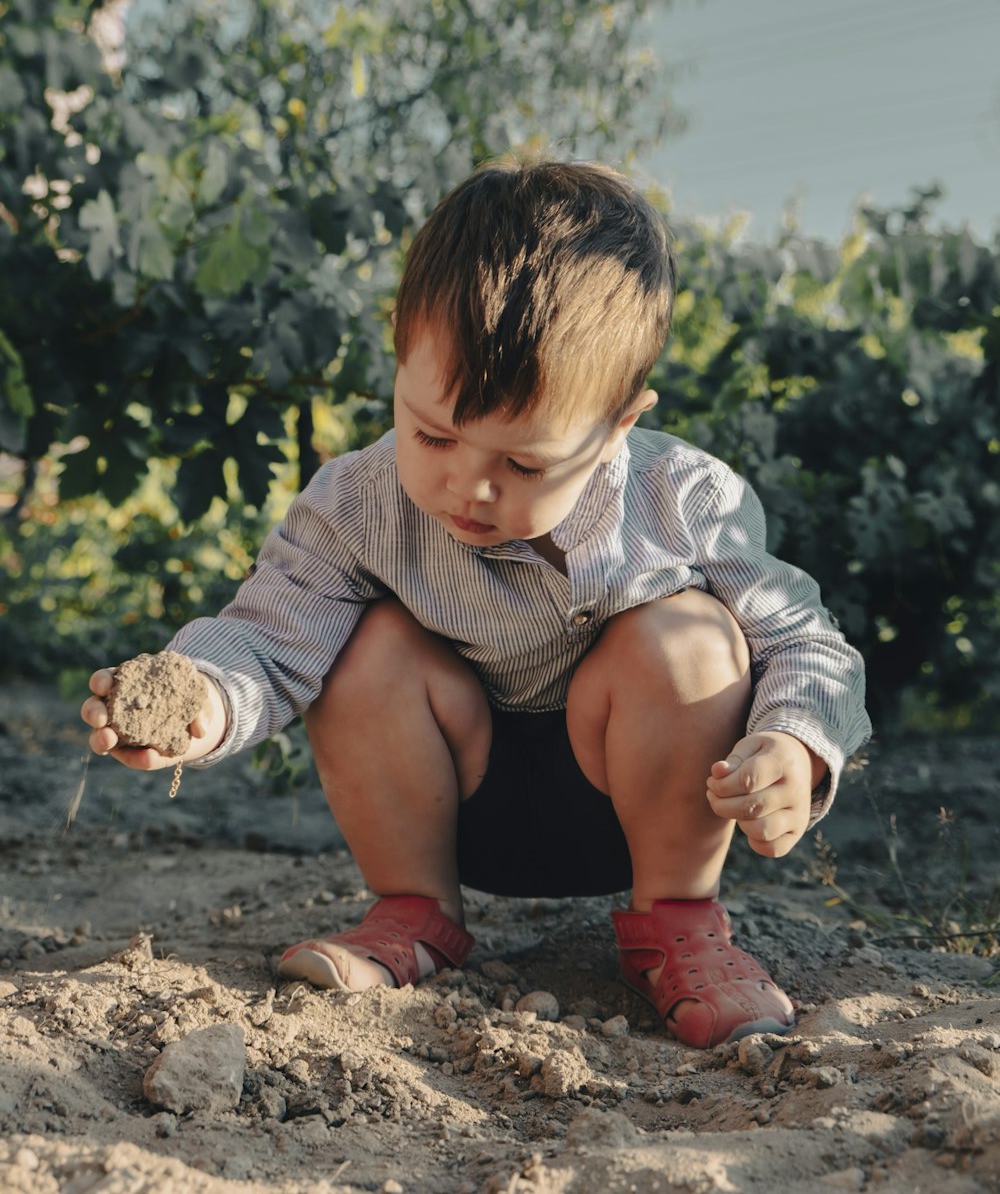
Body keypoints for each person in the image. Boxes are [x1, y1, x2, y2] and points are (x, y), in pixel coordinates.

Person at [82, 156, 870, 1050]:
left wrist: (797, 746)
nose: (468, 486)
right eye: (433, 434)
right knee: (363, 642)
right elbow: (271, 635)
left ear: (619, 425)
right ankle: (414, 913)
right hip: (455, 804)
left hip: (643, 807)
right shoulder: (357, 505)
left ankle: (678, 927)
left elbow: (811, 644)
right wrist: (205, 700)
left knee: (686, 634)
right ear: (399, 361)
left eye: (524, 464)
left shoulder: (684, 500)